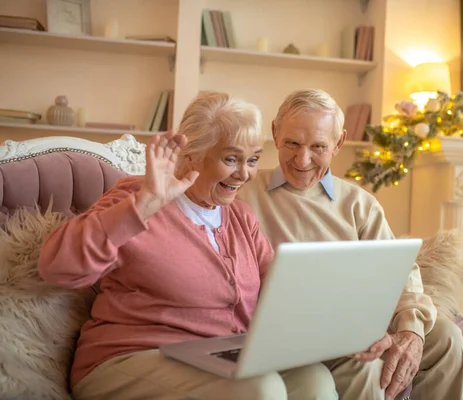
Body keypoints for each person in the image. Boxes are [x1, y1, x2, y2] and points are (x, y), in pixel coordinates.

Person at [38, 92, 340, 400]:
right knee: (260, 389)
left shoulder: (240, 217)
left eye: (252, 160)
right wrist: (145, 203)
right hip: (129, 358)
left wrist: (344, 330)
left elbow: (281, 290)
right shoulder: (137, 196)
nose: (245, 174)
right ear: (193, 153)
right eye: (231, 159)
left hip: (220, 358)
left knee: (313, 379)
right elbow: (57, 268)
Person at [237, 88, 463, 400]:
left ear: (339, 143)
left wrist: (410, 329)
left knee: (447, 338)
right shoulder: (243, 192)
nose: (302, 159)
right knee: (364, 364)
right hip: (297, 330)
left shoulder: (359, 204)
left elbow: (399, 273)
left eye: (318, 146)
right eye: (292, 143)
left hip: (360, 320)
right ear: (275, 133)